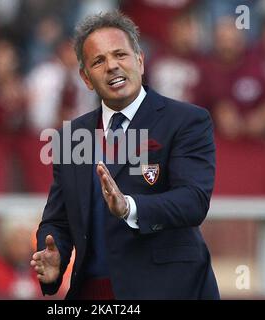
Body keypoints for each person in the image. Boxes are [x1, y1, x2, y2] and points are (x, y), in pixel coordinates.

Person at [30, 11, 219, 300]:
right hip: (93, 292)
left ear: (140, 61)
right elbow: (58, 220)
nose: (112, 66)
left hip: (169, 290)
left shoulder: (186, 121)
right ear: (86, 78)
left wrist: (129, 207)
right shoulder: (71, 136)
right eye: (98, 61)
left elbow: (193, 201)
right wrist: (54, 254)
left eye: (120, 54)